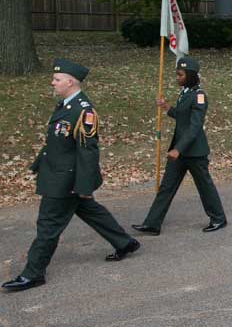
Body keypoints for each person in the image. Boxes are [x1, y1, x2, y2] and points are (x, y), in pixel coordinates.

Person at [3, 60, 140, 292]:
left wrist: (84, 187)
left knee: (48, 225)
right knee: (89, 211)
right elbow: (56, 142)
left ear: (70, 81)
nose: (52, 83)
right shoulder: (66, 105)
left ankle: (33, 273)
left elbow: (88, 151)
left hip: (65, 180)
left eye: (56, 80)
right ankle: (124, 243)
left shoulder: (83, 111)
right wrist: (38, 163)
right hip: (58, 173)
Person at [133, 57, 227, 235]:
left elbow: (194, 126)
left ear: (190, 76)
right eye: (176, 74)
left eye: (180, 74)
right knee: (166, 187)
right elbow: (182, 117)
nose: (176, 77)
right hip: (180, 151)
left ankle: (218, 219)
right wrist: (167, 107)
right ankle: (152, 223)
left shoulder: (199, 96)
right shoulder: (185, 93)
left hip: (193, 151)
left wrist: (178, 148)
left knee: (204, 186)